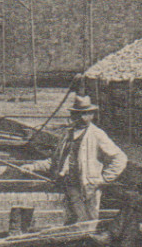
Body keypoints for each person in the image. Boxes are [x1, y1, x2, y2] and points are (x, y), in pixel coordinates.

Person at [21, 96, 128, 225]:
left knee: (89, 222)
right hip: (69, 186)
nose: (83, 118)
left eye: (87, 114)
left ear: (92, 115)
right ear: (73, 115)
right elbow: (55, 161)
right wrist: (33, 166)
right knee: (71, 221)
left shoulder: (97, 134)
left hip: (88, 188)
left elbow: (120, 158)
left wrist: (104, 179)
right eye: (79, 114)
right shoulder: (67, 135)